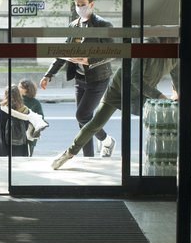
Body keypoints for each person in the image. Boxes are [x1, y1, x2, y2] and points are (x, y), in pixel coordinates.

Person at [51, 37, 179, 170]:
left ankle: (168, 159)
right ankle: (69, 153)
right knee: (97, 122)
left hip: (144, 92)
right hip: (120, 88)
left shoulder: (175, 55)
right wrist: (160, 96)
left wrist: (176, 94)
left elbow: (176, 76)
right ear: (166, 41)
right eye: (174, 42)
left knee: (163, 121)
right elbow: (135, 79)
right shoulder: (146, 47)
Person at [40, 0, 116, 158]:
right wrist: (49, 74)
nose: (80, 8)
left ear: (92, 4)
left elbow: (113, 52)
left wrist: (89, 60)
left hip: (98, 78)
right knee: (82, 120)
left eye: (83, 5)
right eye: (77, 5)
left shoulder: (103, 25)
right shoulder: (74, 26)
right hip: (80, 78)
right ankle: (89, 157)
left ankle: (107, 141)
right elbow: (63, 52)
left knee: (82, 115)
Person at [0, 85, 31, 157]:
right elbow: (26, 127)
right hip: (20, 144)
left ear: (6, 94)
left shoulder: (3, 108)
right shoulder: (24, 109)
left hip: (5, 143)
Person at [19, 79, 44, 156]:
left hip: (29, 134)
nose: (18, 88)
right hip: (18, 133)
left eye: (20, 87)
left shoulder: (35, 103)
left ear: (27, 90)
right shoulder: (17, 100)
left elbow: (41, 118)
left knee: (28, 156)